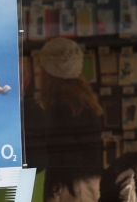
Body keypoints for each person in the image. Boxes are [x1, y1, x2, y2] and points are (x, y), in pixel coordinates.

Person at [30, 38, 104, 202]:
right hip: (87, 189)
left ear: (48, 72)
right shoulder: (84, 102)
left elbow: (59, 158)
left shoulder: (61, 106)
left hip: (70, 191)